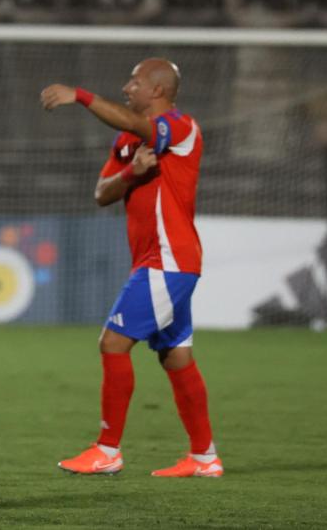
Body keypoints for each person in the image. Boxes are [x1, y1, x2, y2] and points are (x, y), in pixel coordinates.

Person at [40, 58, 223, 477]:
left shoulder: (181, 128)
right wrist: (131, 172)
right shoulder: (128, 140)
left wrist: (82, 97)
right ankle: (204, 457)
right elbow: (102, 193)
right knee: (176, 358)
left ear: (157, 90)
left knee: (113, 343)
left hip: (169, 260)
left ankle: (108, 450)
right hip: (157, 262)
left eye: (135, 82)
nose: (127, 87)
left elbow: (136, 124)